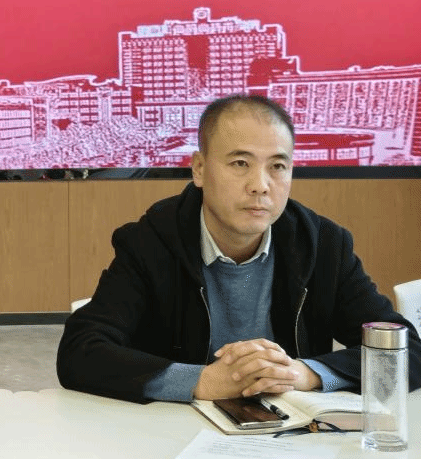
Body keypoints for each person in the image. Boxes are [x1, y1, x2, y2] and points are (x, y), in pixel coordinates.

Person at [57, 94, 421, 403]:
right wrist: (202, 382)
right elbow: (80, 351)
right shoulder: (151, 242)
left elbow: (408, 351)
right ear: (199, 169)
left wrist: (302, 373)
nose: (260, 185)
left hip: (293, 440)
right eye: (240, 163)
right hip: (172, 436)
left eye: (277, 166)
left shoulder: (323, 245)